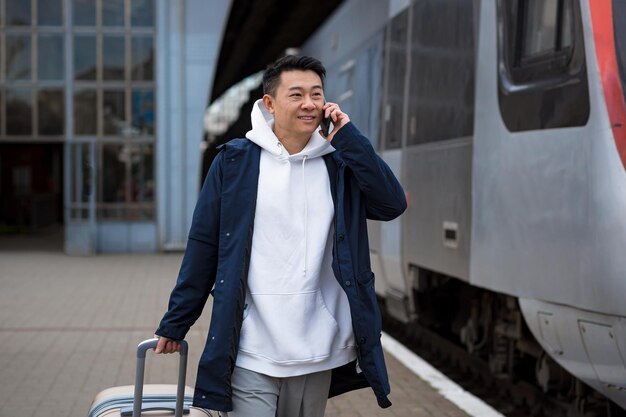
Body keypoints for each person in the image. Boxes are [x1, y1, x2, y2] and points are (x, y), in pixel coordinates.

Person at [153, 55, 407, 417]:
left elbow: (392, 204)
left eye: (317, 94)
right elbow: (204, 246)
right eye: (297, 94)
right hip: (252, 346)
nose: (309, 104)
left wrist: (349, 138)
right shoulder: (234, 163)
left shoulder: (340, 164)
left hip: (318, 346)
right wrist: (177, 321)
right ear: (269, 103)